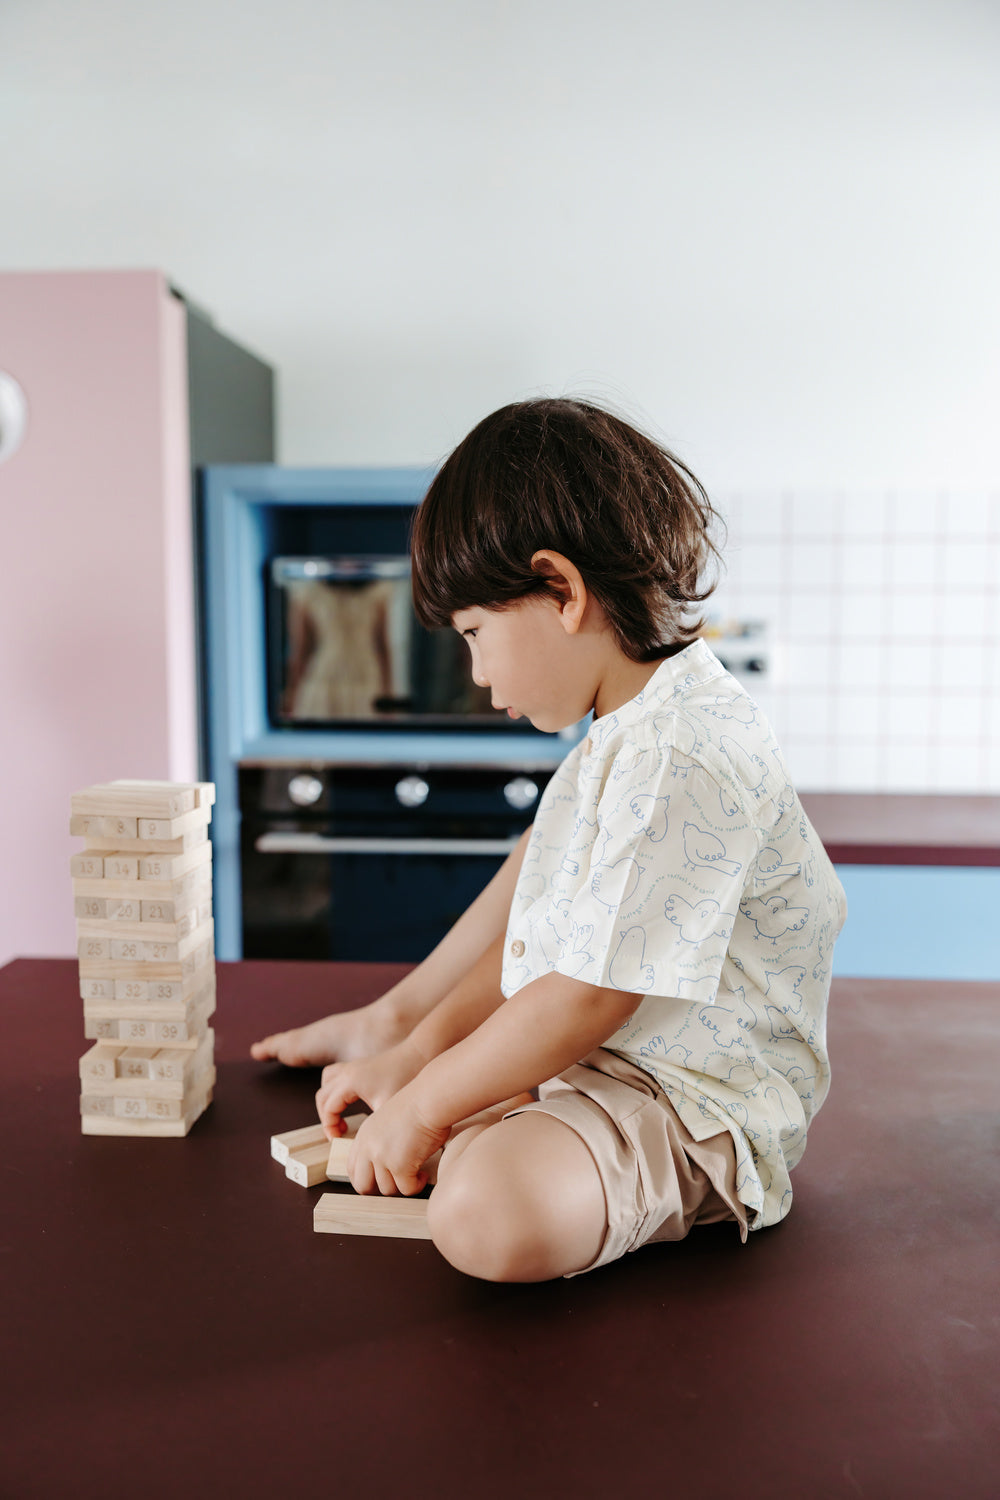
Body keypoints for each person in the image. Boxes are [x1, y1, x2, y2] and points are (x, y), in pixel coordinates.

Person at [251, 398, 847, 1283]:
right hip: (612, 1067)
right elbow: (540, 943)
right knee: (472, 1143)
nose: (478, 673)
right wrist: (419, 1059)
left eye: (475, 634)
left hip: (696, 1103)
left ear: (561, 590)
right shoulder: (623, 733)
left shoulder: (679, 752)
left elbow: (584, 996)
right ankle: (508, 1119)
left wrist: (422, 1106)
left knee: (483, 1211)